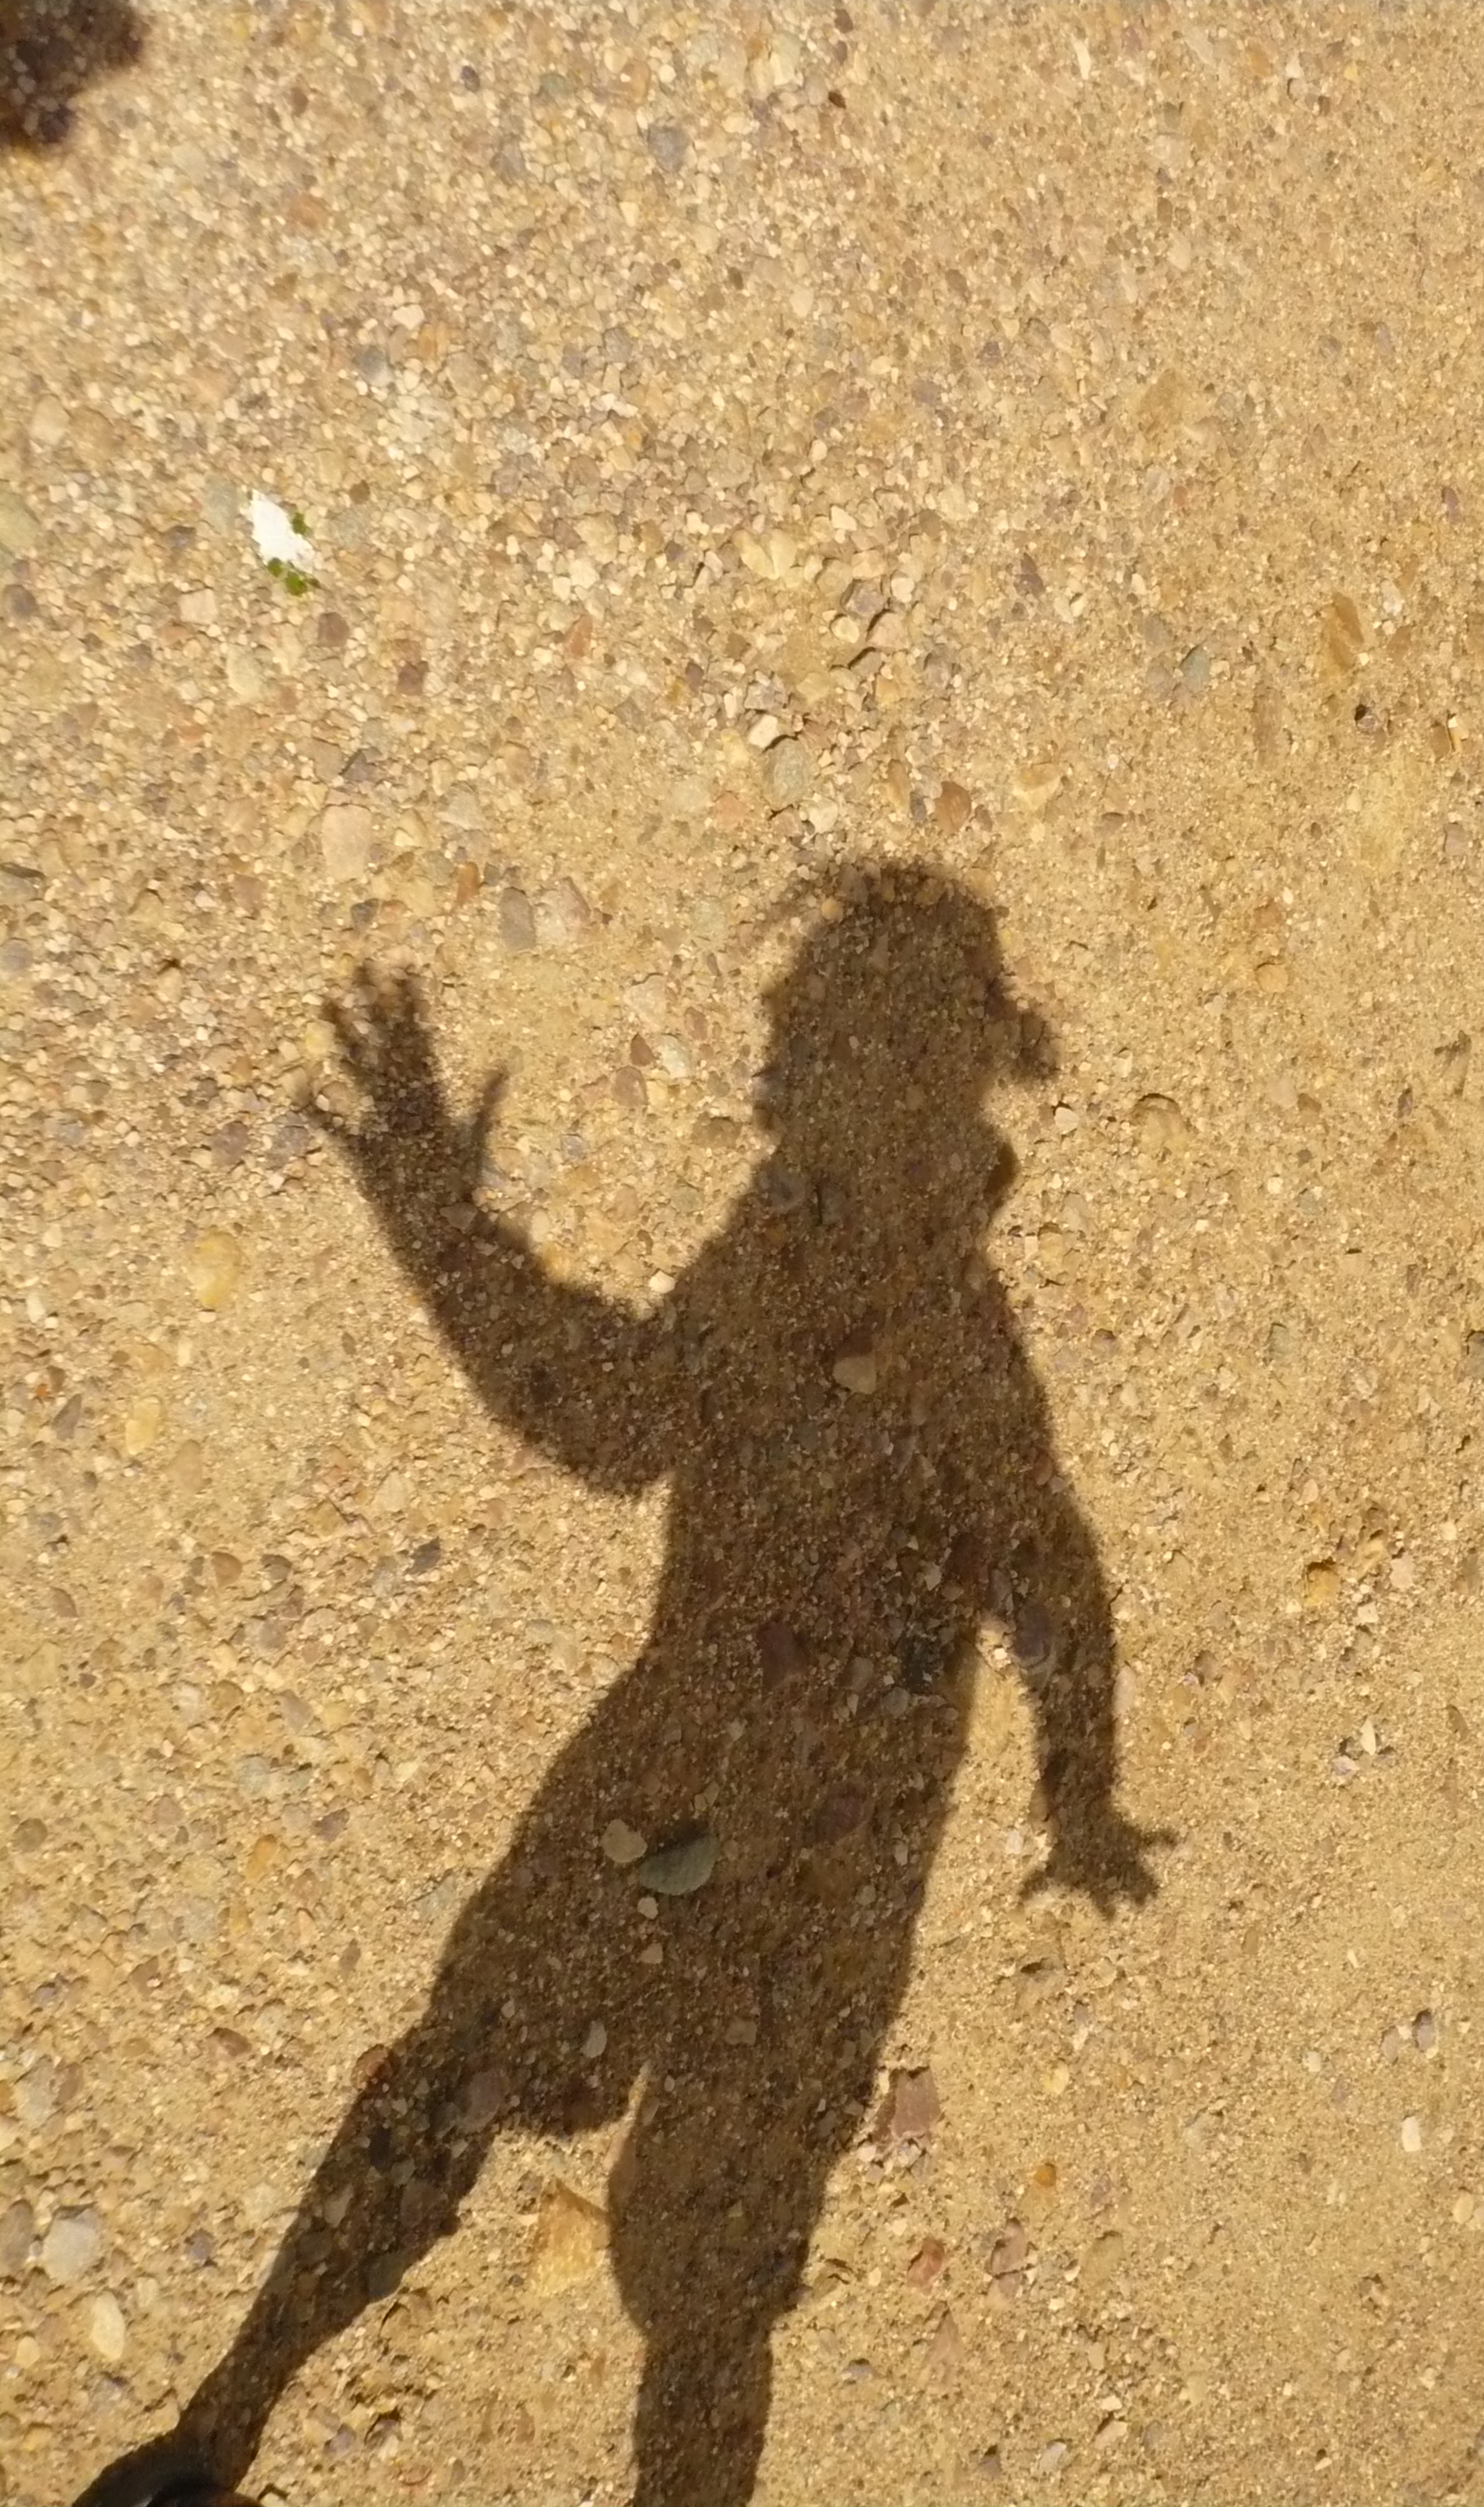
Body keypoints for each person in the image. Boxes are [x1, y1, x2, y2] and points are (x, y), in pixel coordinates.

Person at [75, 860, 1159, 2507]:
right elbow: (1041, 1568)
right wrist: (1081, 1802)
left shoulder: (878, 1301)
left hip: (709, 1815)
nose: (772, 1070)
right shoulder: (853, 1283)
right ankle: (218, 2425)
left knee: (508, 2128)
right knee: (686, 2282)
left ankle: (213, 2437)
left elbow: (626, 1430)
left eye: (801, 1038)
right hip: (808, 1866)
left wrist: (439, 1223)